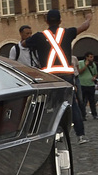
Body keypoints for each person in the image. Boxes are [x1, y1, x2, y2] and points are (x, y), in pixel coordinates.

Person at [22, 9, 92, 143]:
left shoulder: (39, 36)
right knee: (72, 105)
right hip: (66, 75)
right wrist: (88, 18)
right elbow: (84, 27)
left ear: (46, 21)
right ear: (60, 21)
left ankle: (56, 134)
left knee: (51, 106)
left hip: (49, 76)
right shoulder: (68, 32)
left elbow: (24, 44)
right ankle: (81, 135)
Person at [77, 52, 98, 119]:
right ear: (86, 57)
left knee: (92, 100)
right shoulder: (80, 63)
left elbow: (95, 73)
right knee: (82, 101)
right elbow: (79, 72)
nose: (92, 58)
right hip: (82, 84)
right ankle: (83, 115)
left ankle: (94, 114)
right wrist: (85, 66)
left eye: (92, 57)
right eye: (90, 57)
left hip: (91, 85)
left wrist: (94, 77)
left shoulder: (93, 64)